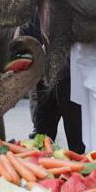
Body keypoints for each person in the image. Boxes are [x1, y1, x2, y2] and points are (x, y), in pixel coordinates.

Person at [17, 11, 85, 153]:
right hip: (45, 80)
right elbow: (21, 42)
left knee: (76, 140)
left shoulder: (63, 4)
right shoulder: (32, 13)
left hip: (69, 79)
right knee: (43, 137)